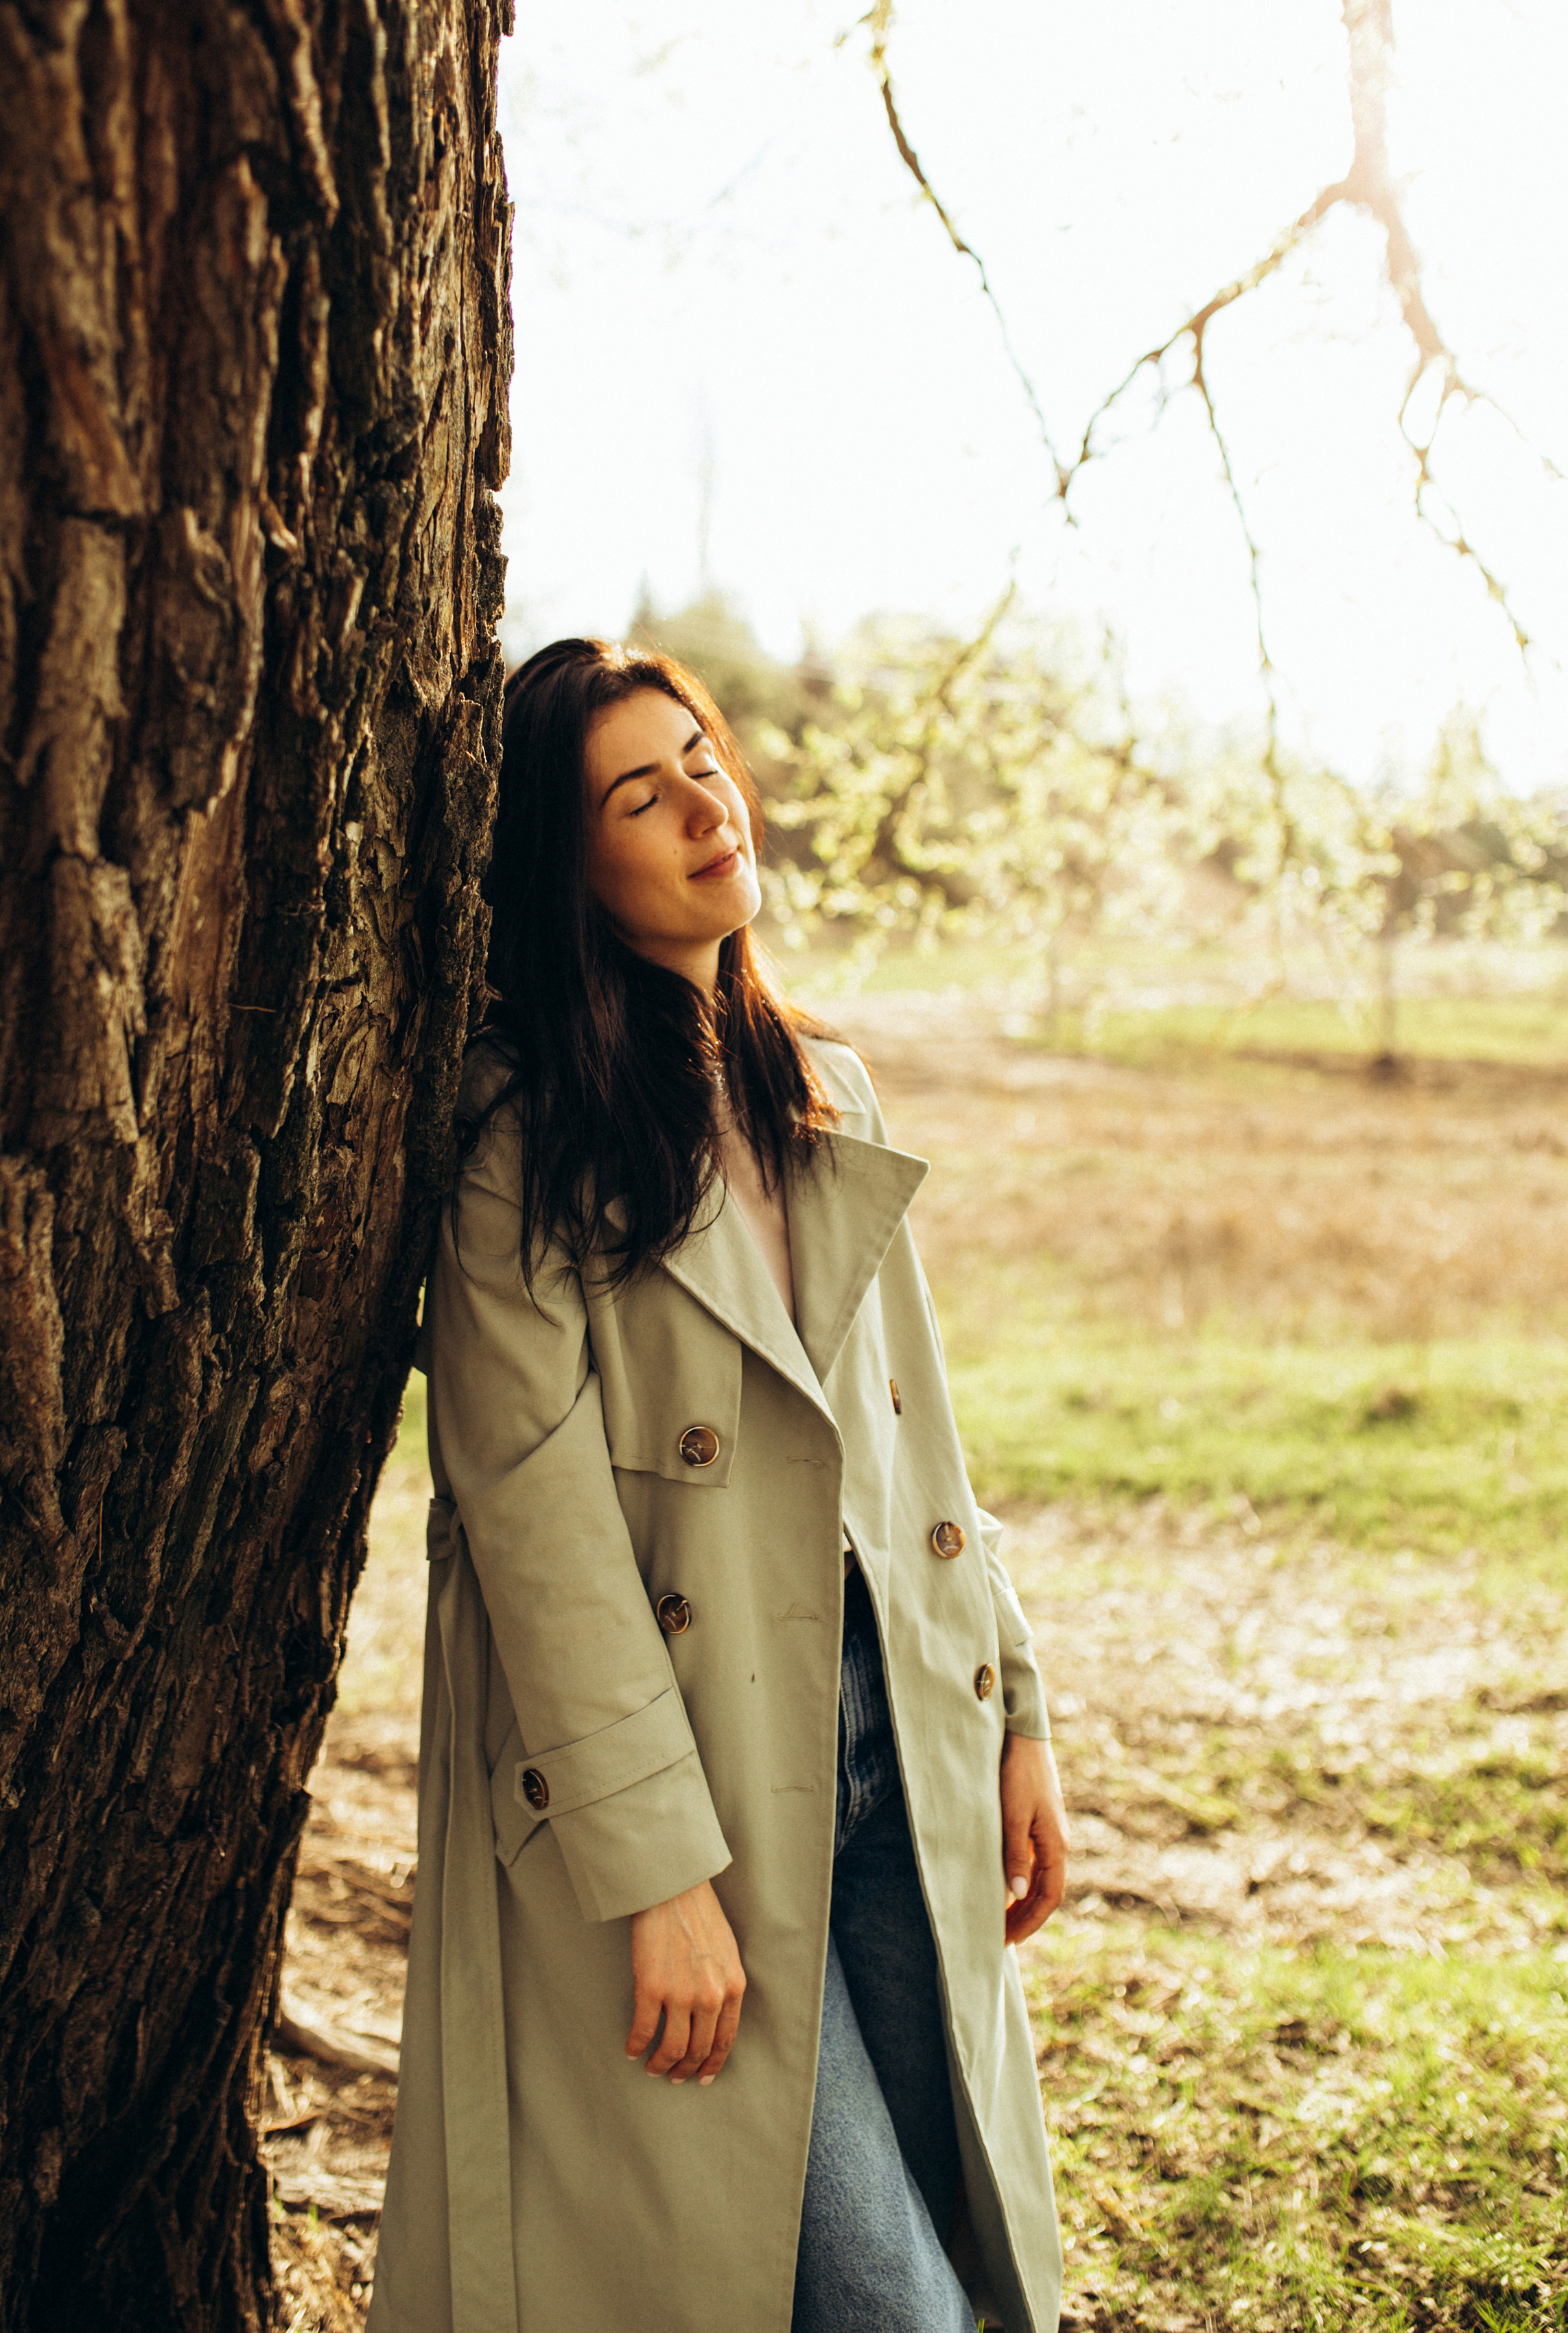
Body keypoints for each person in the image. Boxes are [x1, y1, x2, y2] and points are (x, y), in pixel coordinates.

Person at [366, 639, 1069, 2333]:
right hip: (688, 1766)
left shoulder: (822, 1089)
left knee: (947, 2223)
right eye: (637, 791)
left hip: (891, 1721)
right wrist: (655, 1875)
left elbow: (917, 1450)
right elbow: (533, 1538)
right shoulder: (518, 1147)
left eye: (702, 758)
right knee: (870, 2296)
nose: (703, 805)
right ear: (567, 863)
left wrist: (1015, 1708)